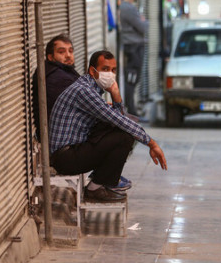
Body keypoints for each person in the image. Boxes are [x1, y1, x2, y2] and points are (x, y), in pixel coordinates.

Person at [49, 50, 167, 202]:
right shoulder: (84, 91)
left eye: (113, 70)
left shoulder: (90, 88)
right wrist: (152, 143)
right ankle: (95, 188)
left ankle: (102, 181)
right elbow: (119, 120)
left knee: (122, 131)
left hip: (73, 151)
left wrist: (116, 95)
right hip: (66, 158)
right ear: (93, 71)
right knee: (125, 137)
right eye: (105, 69)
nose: (110, 74)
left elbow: (116, 119)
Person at [32, 35, 133, 191]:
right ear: (50, 57)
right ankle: (100, 182)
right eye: (62, 52)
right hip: (66, 149)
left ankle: (106, 176)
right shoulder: (57, 78)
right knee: (123, 133)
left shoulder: (63, 73)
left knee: (121, 125)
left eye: (71, 51)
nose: (68, 55)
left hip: (71, 140)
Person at [120, 0, 148, 118]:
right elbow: (143, 27)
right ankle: (131, 112)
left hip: (133, 47)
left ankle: (131, 110)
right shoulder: (128, 8)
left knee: (132, 79)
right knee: (131, 79)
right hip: (134, 48)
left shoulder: (126, 7)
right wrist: (143, 21)